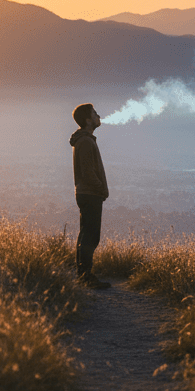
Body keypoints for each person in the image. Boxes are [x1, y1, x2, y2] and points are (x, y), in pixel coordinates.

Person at [70, 103, 112, 290]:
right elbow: (88, 172)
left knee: (86, 234)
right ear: (88, 120)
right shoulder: (86, 142)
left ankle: (83, 274)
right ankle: (86, 276)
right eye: (95, 113)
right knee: (91, 236)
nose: (98, 116)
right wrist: (101, 188)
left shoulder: (84, 140)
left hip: (86, 193)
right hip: (90, 193)